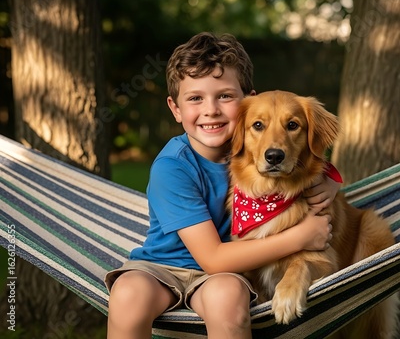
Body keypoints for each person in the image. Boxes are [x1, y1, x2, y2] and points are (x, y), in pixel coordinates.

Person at [105, 32, 340, 339]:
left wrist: (333, 182)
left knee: (227, 298)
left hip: (226, 275)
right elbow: (213, 258)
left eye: (225, 96)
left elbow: (305, 161)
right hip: (165, 268)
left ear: (247, 102)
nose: (211, 109)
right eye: (195, 98)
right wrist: (301, 237)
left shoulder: (254, 151)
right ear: (175, 109)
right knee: (127, 295)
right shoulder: (173, 168)